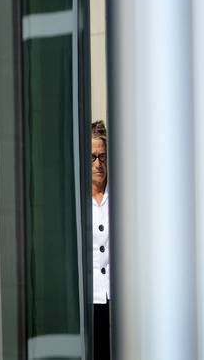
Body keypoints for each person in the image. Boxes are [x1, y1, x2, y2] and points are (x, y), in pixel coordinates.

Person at [91, 120, 111, 360]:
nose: (98, 163)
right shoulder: (75, 199)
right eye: (93, 157)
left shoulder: (121, 195)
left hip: (115, 299)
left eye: (103, 157)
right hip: (88, 299)